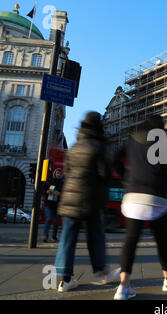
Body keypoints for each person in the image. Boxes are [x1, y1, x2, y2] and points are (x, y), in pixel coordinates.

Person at [112, 115, 167, 300]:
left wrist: (126, 177)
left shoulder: (132, 140)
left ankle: (123, 286)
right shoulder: (165, 141)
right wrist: (166, 178)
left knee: (131, 240)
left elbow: (113, 159)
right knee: (161, 240)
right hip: (156, 198)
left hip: (133, 196)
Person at [53, 112, 120, 293]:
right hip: (90, 199)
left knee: (67, 238)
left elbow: (67, 171)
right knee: (95, 236)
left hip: (69, 199)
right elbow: (104, 174)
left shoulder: (74, 147)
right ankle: (101, 272)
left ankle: (64, 280)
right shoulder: (99, 146)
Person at [42, 169, 64, 243]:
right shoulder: (49, 181)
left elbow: (65, 194)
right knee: (48, 219)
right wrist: (46, 192)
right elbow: (42, 190)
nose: (58, 175)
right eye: (57, 173)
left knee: (55, 222)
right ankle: (45, 236)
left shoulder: (62, 183)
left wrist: (60, 194)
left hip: (57, 205)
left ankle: (54, 236)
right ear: (55, 174)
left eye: (60, 174)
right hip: (48, 204)